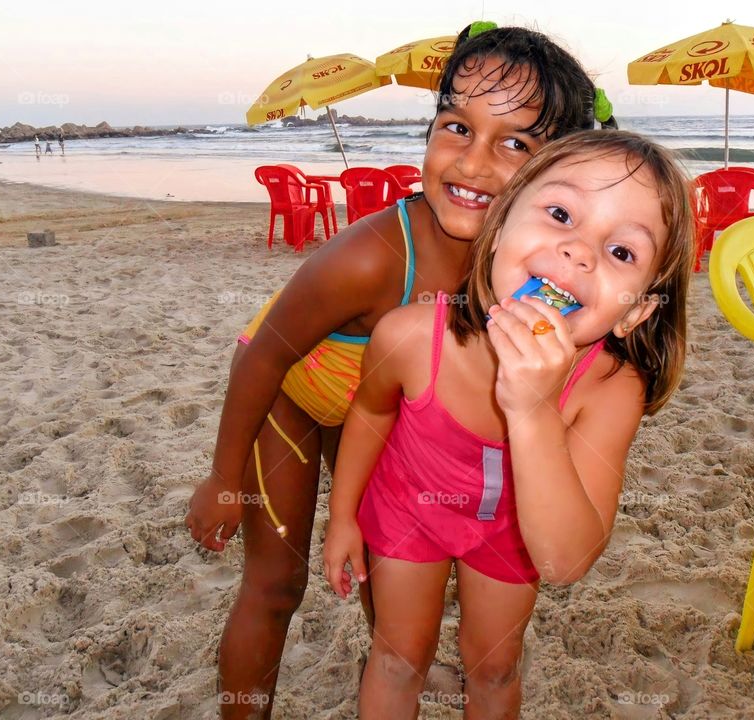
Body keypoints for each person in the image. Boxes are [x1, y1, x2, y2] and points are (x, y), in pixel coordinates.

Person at [185, 22, 616, 720]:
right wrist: (224, 480)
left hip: (378, 402)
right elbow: (263, 354)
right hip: (290, 397)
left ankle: (395, 664)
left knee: (380, 577)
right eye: (456, 127)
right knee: (275, 584)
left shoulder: (527, 259)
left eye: (514, 143)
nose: (474, 165)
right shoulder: (371, 256)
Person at [324, 130, 695, 718]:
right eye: (559, 213)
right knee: (398, 656)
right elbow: (369, 414)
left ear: (637, 312)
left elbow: (566, 561)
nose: (579, 251)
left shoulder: (610, 388)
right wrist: (343, 517)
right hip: (407, 508)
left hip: (513, 530)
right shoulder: (410, 336)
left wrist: (534, 409)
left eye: (622, 252)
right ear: (497, 229)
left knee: (493, 667)